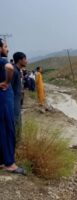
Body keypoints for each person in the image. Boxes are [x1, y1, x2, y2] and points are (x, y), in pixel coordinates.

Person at [0, 38, 25, 175]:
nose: (7, 49)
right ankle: (10, 164)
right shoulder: (3, 61)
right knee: (8, 130)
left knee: (1, 130)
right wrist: (6, 81)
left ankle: (2, 161)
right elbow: (9, 67)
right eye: (5, 46)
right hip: (4, 100)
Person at [12, 52, 28, 139]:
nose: (27, 61)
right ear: (20, 60)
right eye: (25, 59)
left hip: (17, 101)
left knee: (18, 121)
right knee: (15, 122)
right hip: (13, 103)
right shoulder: (14, 71)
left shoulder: (17, 71)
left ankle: (18, 140)